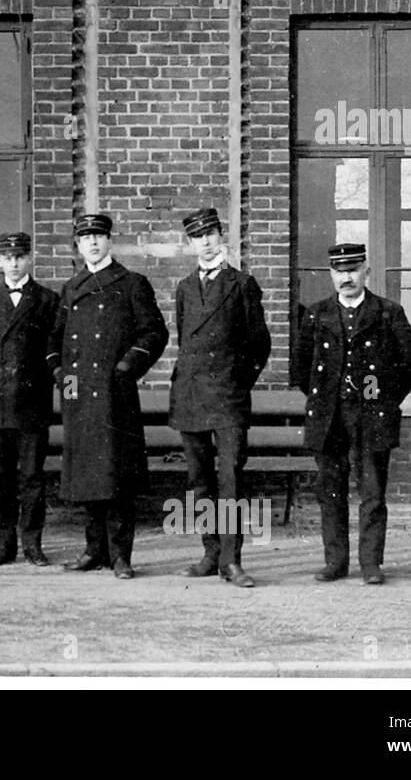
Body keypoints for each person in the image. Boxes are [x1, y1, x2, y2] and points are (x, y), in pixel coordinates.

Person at [292, 243, 411, 585]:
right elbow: (300, 369)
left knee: (372, 491)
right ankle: (335, 562)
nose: (346, 278)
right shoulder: (316, 314)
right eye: (339, 271)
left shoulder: (387, 312)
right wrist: (328, 396)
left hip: (371, 415)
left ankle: (371, 564)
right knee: (330, 490)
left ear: (366, 271)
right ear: (331, 274)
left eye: (352, 270)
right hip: (329, 416)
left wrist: (377, 395)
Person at [47, 213, 168, 580]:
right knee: (87, 476)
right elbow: (55, 341)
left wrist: (127, 367)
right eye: (86, 238)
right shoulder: (71, 288)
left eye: (99, 236)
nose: (93, 243)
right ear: (78, 246)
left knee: (116, 477)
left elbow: (154, 333)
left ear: (110, 242)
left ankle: (120, 556)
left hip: (115, 394)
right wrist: (62, 379)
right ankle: (93, 550)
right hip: (79, 396)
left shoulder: (131, 283)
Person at [170, 208, 271, 588]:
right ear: (191, 243)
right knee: (199, 481)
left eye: (211, 233)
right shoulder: (183, 288)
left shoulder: (242, 284)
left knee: (230, 479)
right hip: (191, 396)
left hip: (228, 398)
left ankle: (232, 560)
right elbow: (185, 339)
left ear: (220, 236)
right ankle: (210, 553)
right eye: (199, 237)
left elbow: (260, 344)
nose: (206, 241)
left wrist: (235, 380)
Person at [0, 231, 59, 567]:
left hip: (33, 403)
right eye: (8, 257)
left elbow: (56, 348)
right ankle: (4, 544)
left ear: (29, 258)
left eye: (20, 256)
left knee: (33, 477)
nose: (14, 263)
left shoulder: (48, 300)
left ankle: (32, 543)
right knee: (3, 477)